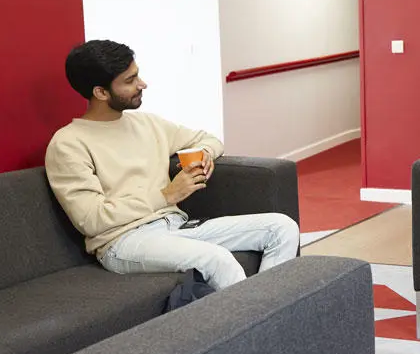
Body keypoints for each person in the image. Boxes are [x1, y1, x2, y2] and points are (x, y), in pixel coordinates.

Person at [45, 39, 299, 290]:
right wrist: (167, 195)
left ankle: (271, 315)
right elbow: (91, 219)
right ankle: (266, 325)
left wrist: (204, 155)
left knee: (282, 228)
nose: (142, 84)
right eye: (130, 81)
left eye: (138, 75)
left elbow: (208, 139)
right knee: (218, 260)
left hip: (175, 225)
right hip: (123, 240)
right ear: (100, 92)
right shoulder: (68, 144)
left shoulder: (148, 124)